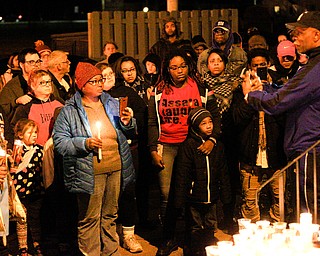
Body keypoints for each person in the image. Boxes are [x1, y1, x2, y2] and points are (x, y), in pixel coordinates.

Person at [53, 62, 137, 255]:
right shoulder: (70, 111)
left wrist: (127, 122)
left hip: (115, 168)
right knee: (90, 218)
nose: (100, 84)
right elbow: (60, 142)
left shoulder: (112, 103)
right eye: (94, 81)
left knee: (110, 215)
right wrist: (84, 144)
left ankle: (111, 252)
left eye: (101, 80)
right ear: (82, 85)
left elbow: (128, 131)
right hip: (89, 171)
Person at [241, 11, 320, 217]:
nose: (294, 38)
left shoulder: (316, 68)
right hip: (305, 150)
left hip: (310, 151)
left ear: (316, 35)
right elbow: (286, 93)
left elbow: (279, 102)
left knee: (309, 214)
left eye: (300, 32)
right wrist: (263, 90)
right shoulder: (310, 65)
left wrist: (251, 96)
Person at [148, 48, 221, 256]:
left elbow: (215, 116)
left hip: (193, 145)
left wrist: (213, 140)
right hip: (168, 144)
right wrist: (153, 148)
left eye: (182, 66)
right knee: (167, 195)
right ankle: (168, 238)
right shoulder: (158, 91)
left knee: (192, 193)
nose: (179, 71)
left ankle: (192, 239)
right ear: (166, 69)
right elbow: (153, 122)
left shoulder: (200, 89)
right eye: (174, 67)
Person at [234, 48, 287, 222]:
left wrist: (266, 95)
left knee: (280, 204)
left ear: (269, 65)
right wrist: (249, 96)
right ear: (249, 68)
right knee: (249, 204)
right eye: (255, 66)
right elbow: (237, 120)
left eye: (262, 65)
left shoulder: (278, 88)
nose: (259, 69)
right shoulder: (240, 91)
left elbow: (283, 117)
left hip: (275, 154)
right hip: (251, 155)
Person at [175, 107, 231, 256]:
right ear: (195, 126)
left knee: (211, 224)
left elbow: (223, 171)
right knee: (194, 226)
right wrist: (179, 200)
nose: (209, 126)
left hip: (211, 196)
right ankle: (195, 250)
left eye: (210, 122)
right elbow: (182, 174)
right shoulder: (188, 146)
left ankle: (209, 248)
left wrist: (225, 195)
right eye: (203, 123)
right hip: (194, 197)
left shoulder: (217, 146)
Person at [110, 55, 147, 253]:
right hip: (106, 150)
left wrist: (131, 120)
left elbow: (142, 117)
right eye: (123, 70)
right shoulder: (93, 98)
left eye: (131, 69)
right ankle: (111, 232)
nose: (128, 73)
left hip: (130, 149)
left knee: (128, 191)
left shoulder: (126, 93)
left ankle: (129, 234)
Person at [202, 48, 242, 232]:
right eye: (212, 61)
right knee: (211, 176)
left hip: (230, 136)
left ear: (225, 63)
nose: (216, 63)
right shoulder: (202, 84)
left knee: (230, 177)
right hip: (209, 135)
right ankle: (210, 219)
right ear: (207, 64)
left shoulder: (235, 83)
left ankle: (228, 216)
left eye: (219, 60)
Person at [10, 119, 45, 256]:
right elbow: (12, 167)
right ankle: (23, 246)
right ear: (20, 135)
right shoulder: (16, 151)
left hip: (36, 190)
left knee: (35, 218)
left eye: (35, 132)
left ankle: (37, 243)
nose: (34, 135)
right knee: (22, 219)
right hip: (20, 191)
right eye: (30, 133)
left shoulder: (40, 150)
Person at [0, 48, 61, 123]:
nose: (36, 65)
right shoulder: (12, 87)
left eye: (38, 61)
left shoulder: (47, 82)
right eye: (31, 62)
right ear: (21, 65)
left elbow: (57, 100)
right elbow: (3, 111)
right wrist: (16, 102)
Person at [10, 70, 64, 147]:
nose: (47, 85)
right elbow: (15, 130)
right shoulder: (26, 107)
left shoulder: (59, 102)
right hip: (35, 151)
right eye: (42, 83)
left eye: (48, 82)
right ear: (33, 85)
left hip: (58, 148)